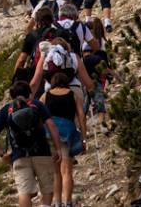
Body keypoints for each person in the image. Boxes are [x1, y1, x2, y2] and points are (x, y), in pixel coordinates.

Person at [0, 88, 65, 207]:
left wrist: (2, 154)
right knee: (47, 188)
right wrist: (58, 148)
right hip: (42, 153)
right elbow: (51, 125)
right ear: (30, 94)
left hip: (19, 156)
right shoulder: (37, 104)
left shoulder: (7, 109)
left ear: (12, 96)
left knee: (24, 193)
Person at [43, 68, 87, 207]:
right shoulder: (73, 95)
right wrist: (83, 137)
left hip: (50, 133)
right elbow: (81, 116)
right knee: (66, 171)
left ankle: (57, 203)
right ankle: (68, 202)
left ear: (53, 82)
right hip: (67, 133)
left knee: (56, 172)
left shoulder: (45, 96)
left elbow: (38, 115)